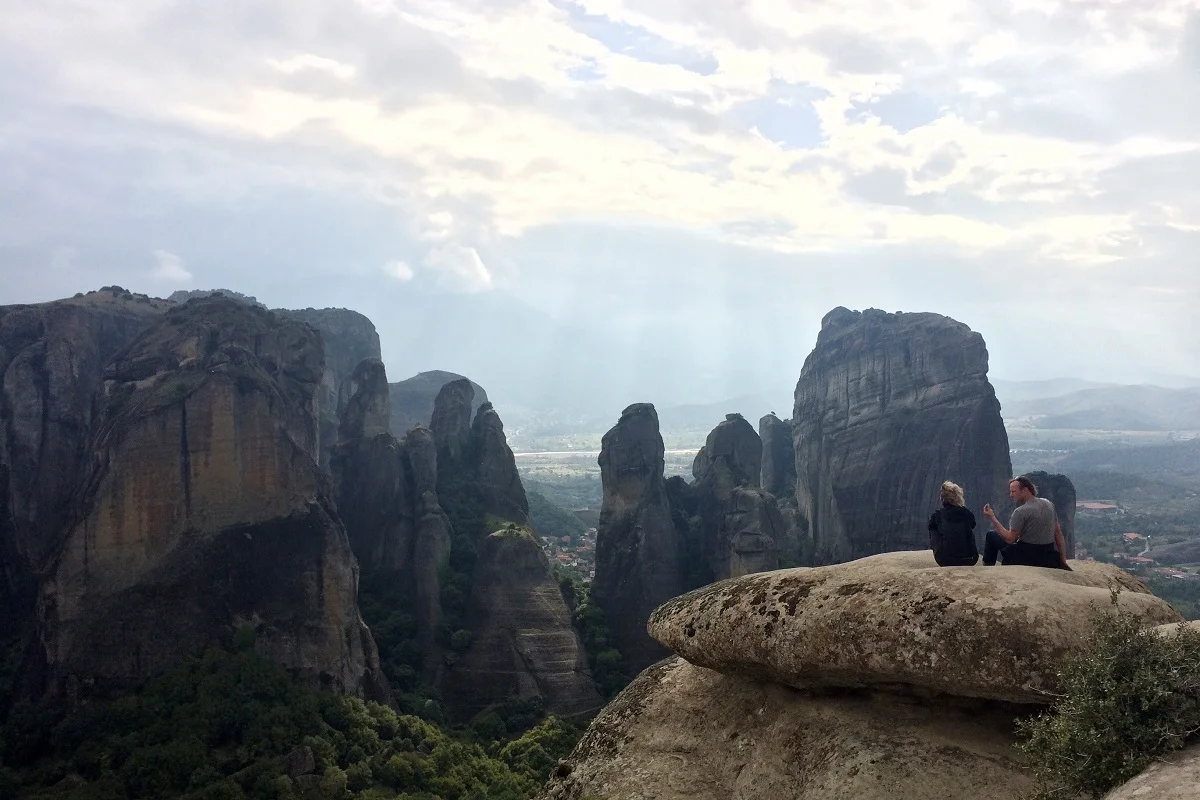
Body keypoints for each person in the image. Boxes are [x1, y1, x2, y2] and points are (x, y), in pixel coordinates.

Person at [982, 475, 1071, 570]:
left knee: (991, 535)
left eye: (1013, 491)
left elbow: (1010, 539)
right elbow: (1058, 533)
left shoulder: (1020, 511)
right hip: (1048, 559)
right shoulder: (1049, 504)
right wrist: (1062, 561)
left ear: (1024, 490)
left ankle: (987, 569)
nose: (1011, 495)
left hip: (1025, 559)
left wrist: (992, 517)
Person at [928, 480, 979, 566]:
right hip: (969, 559)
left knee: (933, 528)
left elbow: (931, 527)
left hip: (945, 560)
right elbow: (973, 524)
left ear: (943, 499)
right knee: (968, 527)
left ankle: (943, 552)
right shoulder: (967, 514)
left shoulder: (937, 515)